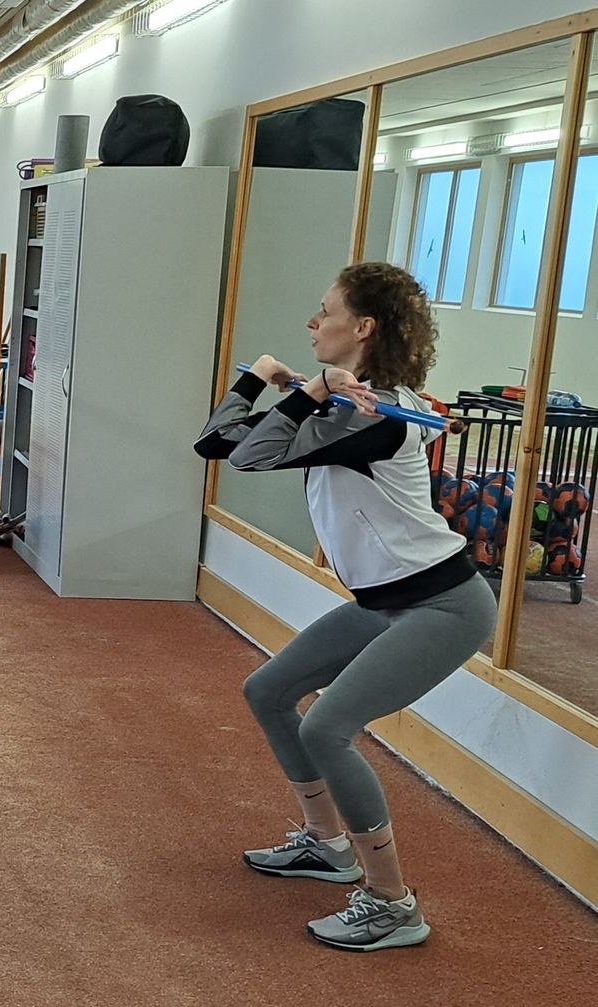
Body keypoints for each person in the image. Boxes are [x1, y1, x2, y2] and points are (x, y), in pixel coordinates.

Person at [195, 262, 494, 952]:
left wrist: (308, 394)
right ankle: (326, 844)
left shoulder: (377, 418)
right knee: (269, 691)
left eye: (324, 311)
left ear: (361, 327)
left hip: (443, 603)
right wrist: (263, 379)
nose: (312, 322)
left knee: (328, 727)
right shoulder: (343, 409)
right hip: (383, 601)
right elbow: (215, 443)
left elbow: (250, 458)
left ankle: (392, 903)